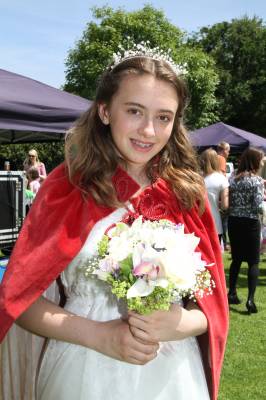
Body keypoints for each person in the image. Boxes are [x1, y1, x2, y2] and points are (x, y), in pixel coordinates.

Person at [0, 43, 228, 400]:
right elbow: (19, 301)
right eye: (135, 111)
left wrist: (179, 322)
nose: (149, 131)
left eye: (164, 117)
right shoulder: (66, 188)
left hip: (173, 376)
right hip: (82, 368)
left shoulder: (187, 193)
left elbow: (211, 306)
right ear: (105, 111)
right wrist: (100, 335)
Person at [227, 147, 264, 314]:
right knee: (253, 262)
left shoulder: (233, 178)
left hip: (234, 222)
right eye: (261, 159)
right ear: (255, 161)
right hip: (250, 223)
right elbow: (257, 205)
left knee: (236, 259)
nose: (263, 162)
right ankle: (250, 299)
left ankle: (232, 292)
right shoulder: (256, 181)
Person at [199, 148, 229, 244]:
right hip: (215, 223)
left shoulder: (195, 178)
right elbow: (225, 205)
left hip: (197, 222)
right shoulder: (221, 179)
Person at [216, 142, 231, 251]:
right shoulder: (221, 158)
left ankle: (222, 243)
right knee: (223, 221)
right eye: (228, 150)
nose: (229, 153)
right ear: (223, 150)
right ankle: (224, 244)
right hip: (220, 195)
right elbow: (221, 176)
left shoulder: (214, 157)